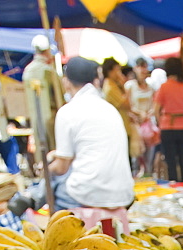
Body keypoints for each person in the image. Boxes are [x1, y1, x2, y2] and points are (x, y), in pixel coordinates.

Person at [48, 57, 134, 213]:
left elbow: (61, 167)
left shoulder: (67, 112)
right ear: (95, 81)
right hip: (124, 193)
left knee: (53, 185)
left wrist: (46, 169)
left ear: (66, 82)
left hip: (88, 195)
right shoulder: (109, 109)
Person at [154, 57, 183, 182]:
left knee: (171, 162)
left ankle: (174, 189)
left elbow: (156, 110)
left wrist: (160, 122)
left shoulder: (164, 87)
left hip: (168, 127)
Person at [23, 34, 63, 151]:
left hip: (35, 117)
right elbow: (59, 94)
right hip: (51, 117)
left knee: (41, 152)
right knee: (53, 151)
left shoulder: (27, 71)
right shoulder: (48, 70)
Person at [102, 57, 141, 166]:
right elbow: (127, 104)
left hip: (122, 127)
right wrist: (125, 87)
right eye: (117, 70)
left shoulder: (113, 85)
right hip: (119, 128)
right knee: (124, 161)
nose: (119, 73)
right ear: (110, 71)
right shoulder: (110, 87)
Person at [126, 58, 156, 174]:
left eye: (145, 67)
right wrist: (140, 113)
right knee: (136, 158)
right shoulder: (130, 86)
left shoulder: (150, 86)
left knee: (149, 159)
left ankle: (148, 179)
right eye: (140, 67)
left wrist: (149, 113)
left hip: (148, 126)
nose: (143, 70)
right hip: (135, 126)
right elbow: (127, 105)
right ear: (135, 68)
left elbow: (154, 104)